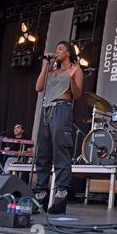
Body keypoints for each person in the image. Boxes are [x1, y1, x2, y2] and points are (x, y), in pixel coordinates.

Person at [34, 41, 83, 214]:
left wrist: (70, 77)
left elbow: (77, 94)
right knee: (43, 153)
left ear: (68, 53)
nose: (57, 52)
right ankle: (40, 194)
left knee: (60, 151)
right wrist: (45, 66)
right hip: (47, 110)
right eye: (56, 50)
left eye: (60, 49)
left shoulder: (76, 70)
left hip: (62, 108)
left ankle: (60, 196)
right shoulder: (52, 71)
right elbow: (38, 87)